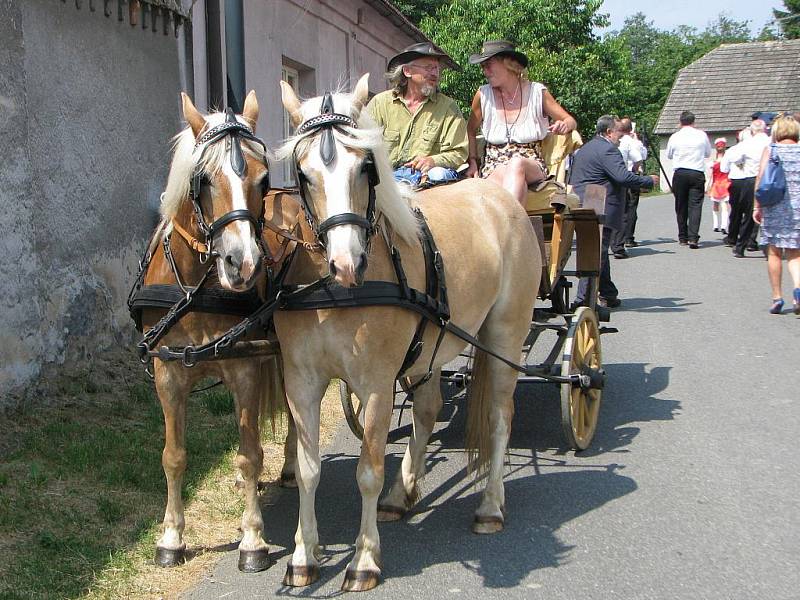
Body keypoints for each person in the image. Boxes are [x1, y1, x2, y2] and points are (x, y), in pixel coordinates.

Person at [465, 40, 577, 205]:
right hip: (494, 164)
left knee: (516, 164)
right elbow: (470, 130)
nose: (485, 71)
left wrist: (565, 124)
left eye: (488, 64)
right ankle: (516, 227)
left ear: (509, 64)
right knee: (510, 181)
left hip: (530, 161)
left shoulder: (537, 92)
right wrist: (473, 161)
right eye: (482, 67)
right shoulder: (483, 95)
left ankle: (511, 227)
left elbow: (570, 120)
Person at [569, 115, 659, 308]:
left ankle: (608, 292)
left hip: (581, 203)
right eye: (619, 132)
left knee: (597, 249)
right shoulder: (608, 149)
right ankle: (582, 299)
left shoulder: (586, 148)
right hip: (598, 203)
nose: (621, 136)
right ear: (609, 132)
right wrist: (648, 181)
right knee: (595, 253)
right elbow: (622, 176)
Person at [367, 42, 468, 187]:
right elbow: (363, 144)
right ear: (407, 71)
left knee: (438, 174)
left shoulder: (448, 107)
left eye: (437, 69)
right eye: (428, 68)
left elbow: (459, 152)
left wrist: (433, 161)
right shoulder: (380, 103)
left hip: (428, 178)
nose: (435, 73)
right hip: (387, 178)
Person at [752, 116, 800, 314]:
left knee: (774, 252)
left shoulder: (771, 151)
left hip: (774, 206)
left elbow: (762, 177)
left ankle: (777, 297)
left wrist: (757, 206)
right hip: (798, 209)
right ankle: (798, 290)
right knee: (796, 255)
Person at [721, 119, 771, 258]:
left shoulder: (747, 143)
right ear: (765, 129)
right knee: (770, 213)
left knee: (750, 214)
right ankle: (769, 247)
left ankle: (741, 246)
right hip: (770, 179)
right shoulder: (770, 141)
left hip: (752, 179)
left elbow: (736, 159)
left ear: (752, 131)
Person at [666, 110, 712, 249]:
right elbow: (708, 153)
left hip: (680, 172)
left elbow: (669, 155)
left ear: (680, 122)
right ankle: (693, 237)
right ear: (693, 122)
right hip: (697, 172)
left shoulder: (675, 137)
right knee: (695, 206)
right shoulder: (701, 135)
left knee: (681, 205)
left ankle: (682, 236)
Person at [612, 117, 647, 257]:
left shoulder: (604, 140)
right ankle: (624, 240)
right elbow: (639, 158)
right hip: (625, 177)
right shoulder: (631, 141)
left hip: (607, 179)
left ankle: (609, 241)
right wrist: (634, 171)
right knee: (627, 210)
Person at [707, 138, 731, 235]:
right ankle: (724, 225)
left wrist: (708, 186)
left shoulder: (713, 162)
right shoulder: (727, 160)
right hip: (725, 183)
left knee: (716, 204)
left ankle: (716, 224)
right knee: (725, 205)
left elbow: (710, 176)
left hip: (716, 184)